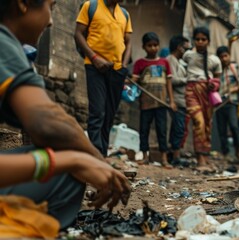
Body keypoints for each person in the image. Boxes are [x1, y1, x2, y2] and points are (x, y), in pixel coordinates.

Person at [0, 0, 130, 228]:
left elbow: (47, 126)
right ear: (22, 4)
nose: (51, 21)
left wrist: (79, 160)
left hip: (114, 70)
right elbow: (48, 123)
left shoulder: (123, 15)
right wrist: (76, 160)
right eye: (51, 7)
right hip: (97, 65)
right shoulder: (3, 42)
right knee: (66, 173)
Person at [75, 0, 133, 156]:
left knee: (109, 115)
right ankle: (95, 154)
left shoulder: (125, 14)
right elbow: (78, 34)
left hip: (117, 71)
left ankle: (102, 155)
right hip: (94, 67)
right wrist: (94, 58)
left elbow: (128, 42)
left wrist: (124, 65)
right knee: (97, 112)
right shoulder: (91, 6)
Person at [132, 32, 176, 168]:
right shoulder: (139, 64)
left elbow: (168, 83)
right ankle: (145, 156)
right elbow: (134, 81)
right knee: (144, 129)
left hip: (161, 102)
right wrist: (129, 81)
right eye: (149, 45)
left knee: (162, 130)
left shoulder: (165, 63)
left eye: (155, 45)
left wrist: (171, 101)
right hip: (145, 103)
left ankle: (164, 158)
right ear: (144, 47)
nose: (153, 48)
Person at [182, 27, 222, 171]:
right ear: (194, 40)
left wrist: (215, 84)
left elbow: (218, 77)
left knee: (207, 125)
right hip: (192, 91)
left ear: (208, 41)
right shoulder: (188, 55)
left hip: (207, 93)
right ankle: (199, 159)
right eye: (197, 39)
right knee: (198, 122)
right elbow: (182, 71)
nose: (200, 42)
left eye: (203, 39)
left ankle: (205, 158)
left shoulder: (214, 59)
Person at [215, 46, 239, 162]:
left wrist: (234, 89)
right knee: (221, 129)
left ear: (229, 56)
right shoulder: (216, 70)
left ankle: (238, 153)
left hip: (232, 102)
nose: (224, 59)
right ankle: (225, 154)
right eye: (221, 57)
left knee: (234, 126)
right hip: (219, 103)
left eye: (225, 56)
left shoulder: (235, 68)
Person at [167, 35, 190, 162]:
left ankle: (174, 153)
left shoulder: (179, 62)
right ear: (179, 48)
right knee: (179, 127)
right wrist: (188, 80)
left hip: (181, 100)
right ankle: (175, 155)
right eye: (185, 48)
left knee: (178, 127)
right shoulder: (170, 59)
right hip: (176, 100)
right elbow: (173, 79)